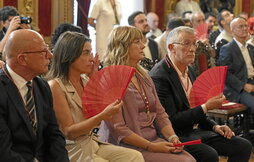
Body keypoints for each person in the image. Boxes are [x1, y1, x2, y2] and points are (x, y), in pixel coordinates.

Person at [149, 26, 252, 162]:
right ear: (171, 47)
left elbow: (194, 108)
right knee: (209, 154)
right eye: (186, 43)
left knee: (243, 146)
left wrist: (215, 126)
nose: (192, 49)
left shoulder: (189, 69)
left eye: (194, 43)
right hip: (175, 135)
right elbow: (170, 121)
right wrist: (206, 107)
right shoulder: (160, 76)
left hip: (195, 131)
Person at [99, 26, 196, 162]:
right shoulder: (110, 78)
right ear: (123, 46)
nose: (143, 46)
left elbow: (160, 113)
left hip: (152, 139)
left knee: (189, 159)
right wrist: (151, 147)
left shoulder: (143, 75)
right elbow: (118, 129)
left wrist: (173, 137)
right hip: (125, 145)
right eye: (137, 42)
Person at [46, 31, 144, 162]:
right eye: (86, 53)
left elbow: (100, 117)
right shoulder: (56, 86)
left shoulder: (85, 81)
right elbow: (69, 132)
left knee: (134, 156)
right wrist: (102, 115)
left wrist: (94, 79)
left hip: (92, 142)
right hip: (71, 148)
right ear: (69, 55)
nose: (92, 59)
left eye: (91, 53)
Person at [0, 29, 69, 161]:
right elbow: (3, 151)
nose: (50, 55)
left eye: (48, 49)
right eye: (43, 51)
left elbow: (53, 134)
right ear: (22, 59)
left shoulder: (41, 86)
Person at [218, 17, 254, 114]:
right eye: (240, 26)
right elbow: (226, 74)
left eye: (246, 26)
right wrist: (243, 86)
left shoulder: (251, 48)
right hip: (238, 89)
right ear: (232, 31)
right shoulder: (227, 49)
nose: (244, 28)